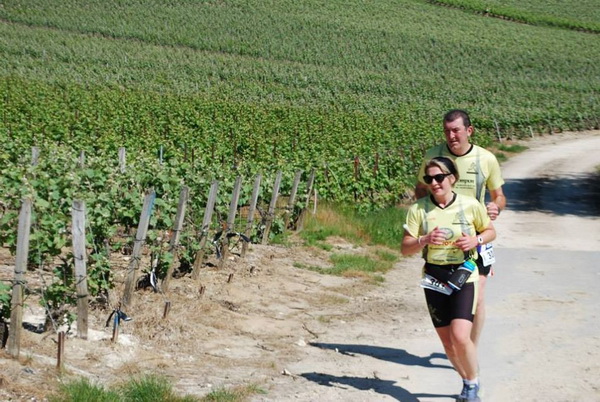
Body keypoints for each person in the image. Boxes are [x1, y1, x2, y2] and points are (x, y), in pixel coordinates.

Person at [402, 156, 496, 401]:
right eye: (429, 178)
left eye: (439, 177)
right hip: (434, 276)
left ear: (452, 178)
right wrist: (424, 240)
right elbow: (404, 247)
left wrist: (476, 240)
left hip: (465, 273)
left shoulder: (470, 205)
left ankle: (474, 383)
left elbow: (490, 231)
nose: (434, 183)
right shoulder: (418, 209)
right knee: (447, 344)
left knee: (460, 336)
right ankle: (467, 380)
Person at [415, 109, 506, 348]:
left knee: (478, 297)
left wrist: (495, 207)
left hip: (476, 236)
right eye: (446, 131)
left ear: (469, 130)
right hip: (443, 239)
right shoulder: (432, 156)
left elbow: (499, 197)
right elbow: (420, 191)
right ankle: (458, 341)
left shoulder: (485, 159)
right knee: (448, 295)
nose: (451, 136)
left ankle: (469, 349)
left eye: (455, 130)